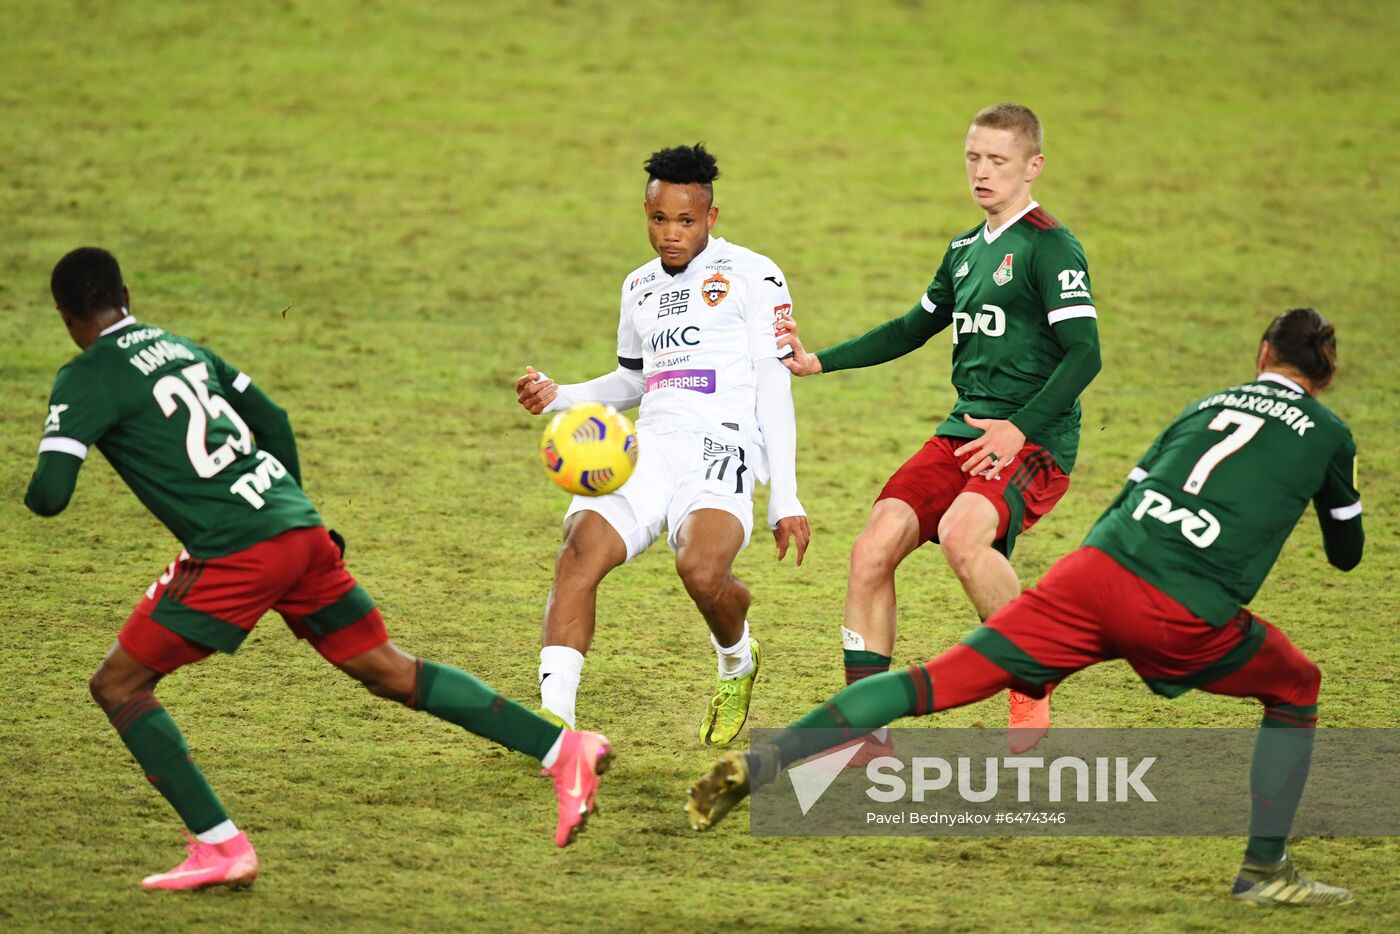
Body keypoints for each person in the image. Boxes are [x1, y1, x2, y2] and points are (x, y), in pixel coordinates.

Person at [688, 308, 1362, 908]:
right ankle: (1264, 868)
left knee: (923, 685)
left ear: (1262, 357)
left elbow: (1132, 495)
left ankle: (768, 762)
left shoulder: (1204, 406)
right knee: (1296, 684)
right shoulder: (1328, 432)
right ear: (1323, 375)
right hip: (1182, 607)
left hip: (1092, 576)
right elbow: (1347, 553)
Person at [25, 248, 613, 892]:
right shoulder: (182, 347)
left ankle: (220, 846)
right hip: (296, 527)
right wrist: (291, 509)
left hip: (235, 548)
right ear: (126, 294)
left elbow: (50, 497)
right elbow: (272, 419)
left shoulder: (85, 378)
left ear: (64, 315)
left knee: (119, 685)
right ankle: (563, 751)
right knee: (389, 669)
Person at [775, 103, 1100, 752]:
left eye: (998, 161)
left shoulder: (1050, 246)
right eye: (974, 158)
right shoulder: (961, 251)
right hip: (961, 432)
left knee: (961, 536)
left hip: (1035, 440)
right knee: (872, 547)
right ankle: (863, 729)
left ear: (1032, 167)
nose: (982, 173)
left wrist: (1017, 430)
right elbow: (911, 327)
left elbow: (1085, 353)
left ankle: (1030, 672)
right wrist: (819, 361)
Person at [515, 143, 810, 745]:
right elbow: (633, 378)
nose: (670, 234)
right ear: (645, 213)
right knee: (578, 554)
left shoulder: (756, 274)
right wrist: (560, 395)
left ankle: (737, 658)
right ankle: (555, 723)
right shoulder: (639, 286)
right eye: (658, 220)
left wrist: (787, 498)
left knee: (701, 572)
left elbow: (775, 387)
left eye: (686, 221)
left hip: (721, 446)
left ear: (711, 217)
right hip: (647, 445)